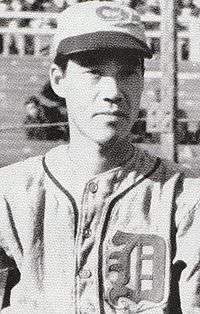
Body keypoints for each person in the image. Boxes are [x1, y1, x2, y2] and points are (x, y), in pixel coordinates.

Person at [1, 1, 200, 313]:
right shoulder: (10, 193)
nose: (114, 91)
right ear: (58, 80)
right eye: (93, 72)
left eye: (128, 73)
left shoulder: (184, 199)